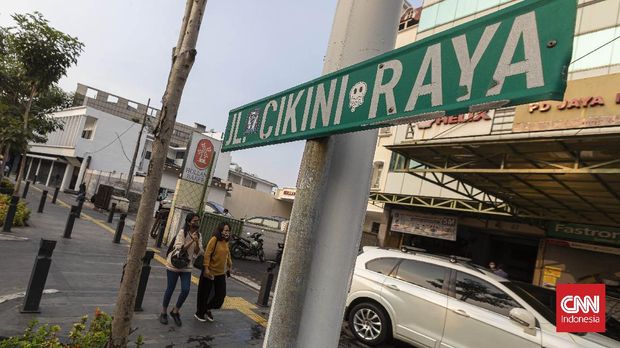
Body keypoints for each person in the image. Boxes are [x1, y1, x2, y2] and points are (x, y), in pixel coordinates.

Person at [160, 213, 204, 326]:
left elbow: (198, 252)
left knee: (186, 290)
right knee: (170, 289)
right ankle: (163, 312)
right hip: (174, 265)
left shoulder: (199, 235)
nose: (197, 223)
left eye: (198, 221)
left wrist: (197, 242)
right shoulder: (182, 232)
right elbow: (179, 249)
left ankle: (175, 311)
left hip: (187, 266)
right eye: (194, 221)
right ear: (189, 222)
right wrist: (191, 240)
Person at [195, 222, 233, 322]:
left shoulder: (226, 241)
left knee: (221, 295)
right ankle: (199, 313)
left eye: (228, 230)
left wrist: (229, 265)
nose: (227, 232)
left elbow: (227, 254)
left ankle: (207, 308)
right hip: (210, 271)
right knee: (204, 294)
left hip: (220, 273)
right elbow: (207, 254)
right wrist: (206, 268)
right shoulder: (214, 239)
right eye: (225, 230)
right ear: (220, 230)